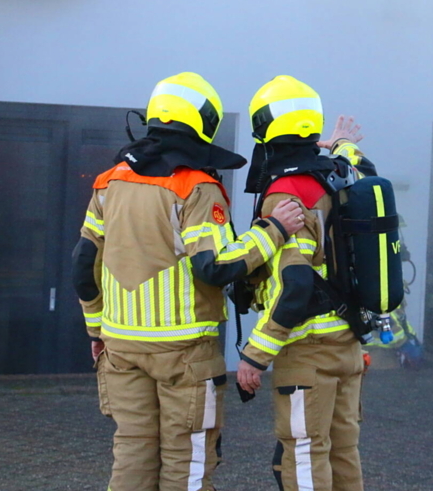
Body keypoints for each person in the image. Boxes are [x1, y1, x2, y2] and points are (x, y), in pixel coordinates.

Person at [72, 72, 306, 491]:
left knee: (132, 454)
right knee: (188, 462)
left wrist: (96, 329)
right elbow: (214, 267)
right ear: (204, 121)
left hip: (120, 348)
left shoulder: (109, 182)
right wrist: (274, 229)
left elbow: (83, 264)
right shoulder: (196, 187)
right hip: (184, 355)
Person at [235, 75, 372, 491]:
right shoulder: (341, 174)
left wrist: (254, 356)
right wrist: (339, 144)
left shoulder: (287, 192)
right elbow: (358, 162)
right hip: (347, 345)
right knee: (343, 452)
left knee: (305, 454)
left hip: (307, 351)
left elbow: (296, 286)